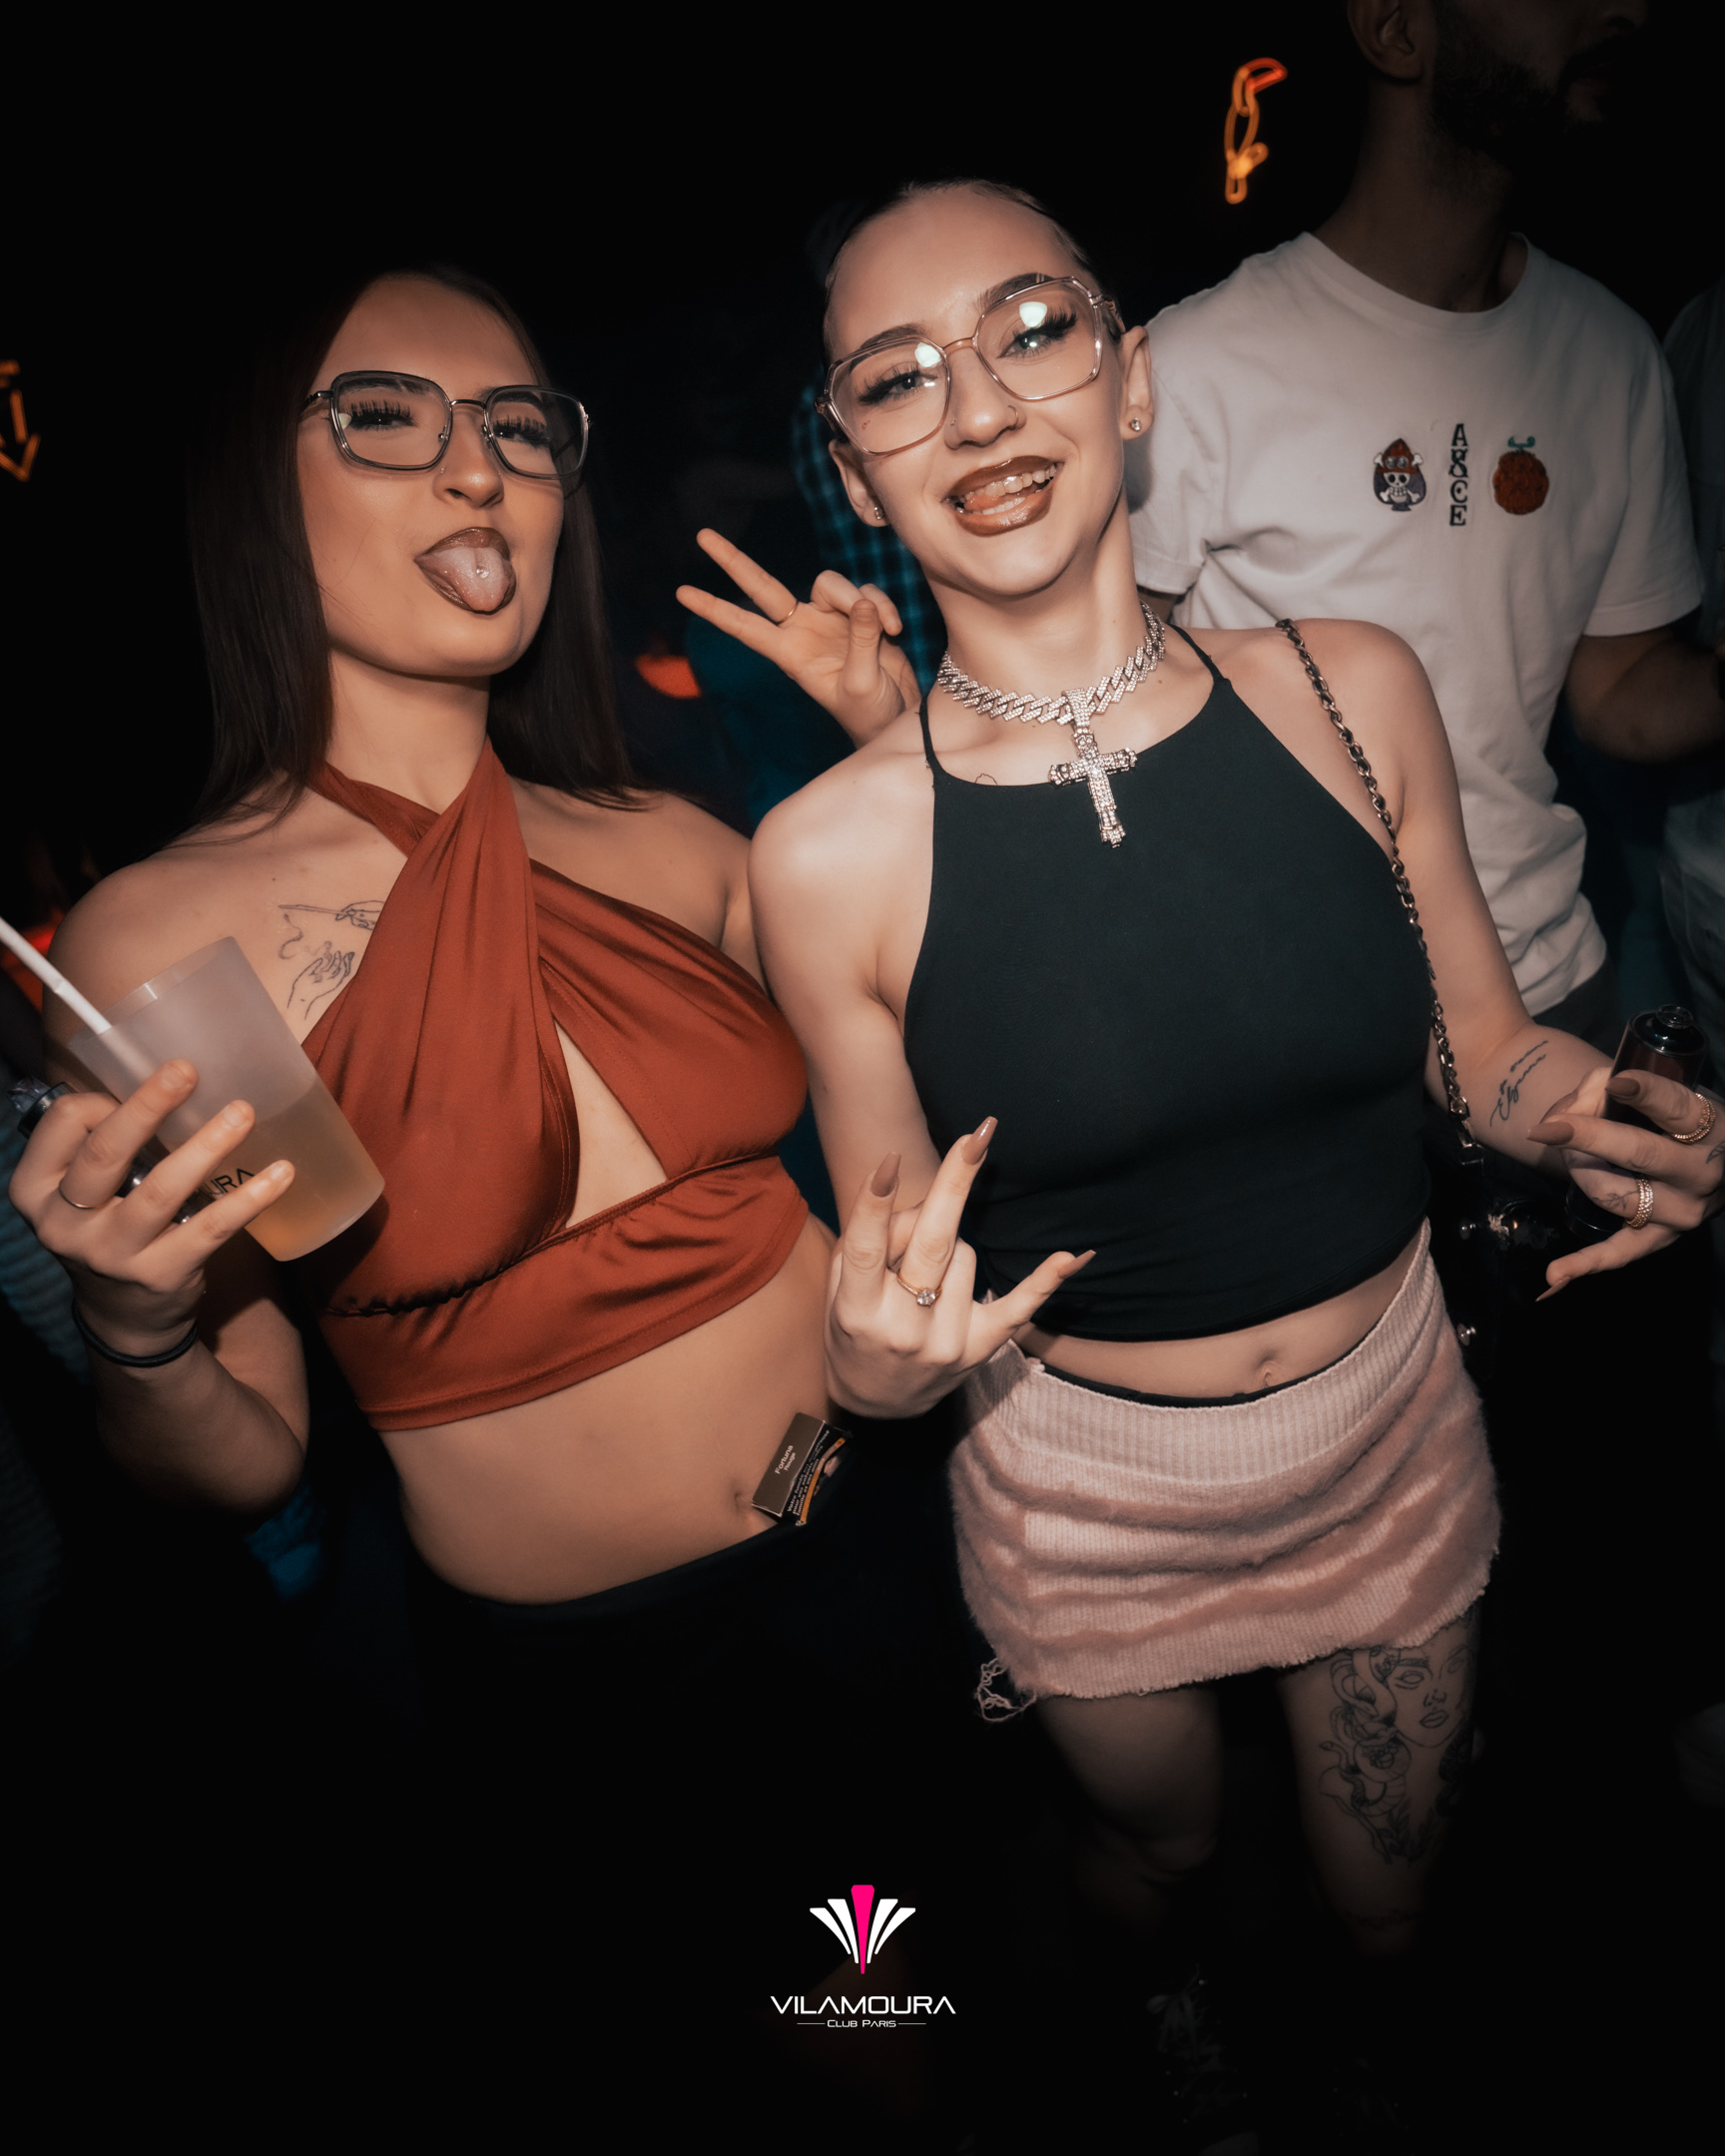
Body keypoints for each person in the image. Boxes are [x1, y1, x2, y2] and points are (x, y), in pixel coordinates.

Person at [680, 176, 1725, 2130]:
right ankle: (1169, 2033)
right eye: (900, 378)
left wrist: (1592, 1111)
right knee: (1152, 1863)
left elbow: (1483, 1052)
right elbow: (892, 1280)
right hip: (1082, 1500)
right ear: (855, 464)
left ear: (1135, 377)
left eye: (1034, 331)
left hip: (1390, 1441)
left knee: (1391, 1915)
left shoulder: (1353, 687)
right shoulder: (826, 857)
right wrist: (874, 1375)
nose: (981, 407)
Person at [3, 265, 971, 2101]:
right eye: (388, 420)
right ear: (256, 487)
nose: (482, 472)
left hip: (881, 1537)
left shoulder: (672, 841)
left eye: (523, 430)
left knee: (936, 2017)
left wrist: (901, 763)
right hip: (598, 1687)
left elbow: (972, 1063)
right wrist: (136, 1325)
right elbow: (252, 1454)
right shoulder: (169, 941)